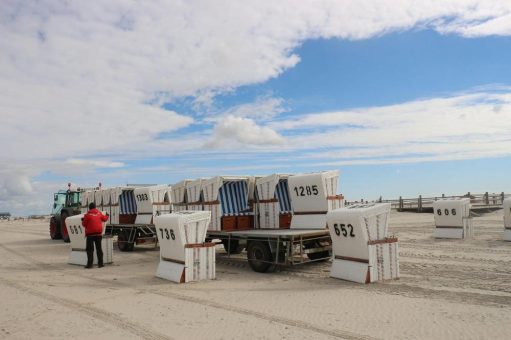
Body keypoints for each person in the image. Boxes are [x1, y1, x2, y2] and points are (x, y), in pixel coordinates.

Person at [82, 202, 109, 268]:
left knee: (90, 250)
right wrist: (107, 215)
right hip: (98, 234)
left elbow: (84, 224)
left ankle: (89, 265)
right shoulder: (99, 213)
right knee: (99, 249)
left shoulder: (87, 215)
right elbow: (105, 219)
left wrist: (82, 220)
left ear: (89, 208)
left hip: (90, 235)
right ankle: (101, 264)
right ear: (95, 207)